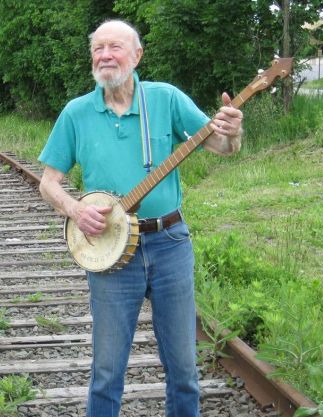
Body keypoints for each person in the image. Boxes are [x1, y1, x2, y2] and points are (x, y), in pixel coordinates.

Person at [37, 19, 244, 417]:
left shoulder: (165, 99)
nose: (105, 55)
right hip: (111, 253)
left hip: (169, 243)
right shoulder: (76, 112)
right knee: (107, 371)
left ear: (137, 55)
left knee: (183, 368)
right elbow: (49, 183)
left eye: (115, 47)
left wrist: (233, 131)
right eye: (98, 49)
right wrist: (75, 210)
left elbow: (221, 145)